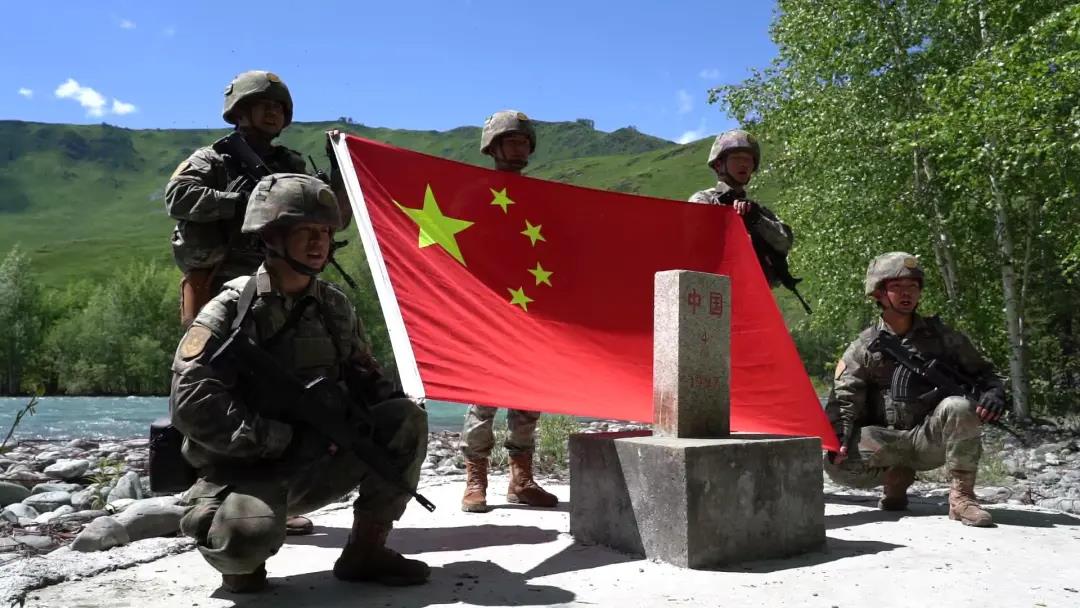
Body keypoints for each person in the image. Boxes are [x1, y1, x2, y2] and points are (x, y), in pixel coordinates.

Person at [170, 174, 429, 592]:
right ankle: (236, 546)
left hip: (319, 460)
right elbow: (191, 404)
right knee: (243, 545)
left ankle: (366, 551)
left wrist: (375, 406)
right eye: (305, 231)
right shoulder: (232, 309)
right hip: (246, 470)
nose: (318, 242)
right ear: (270, 237)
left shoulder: (334, 307)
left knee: (405, 418)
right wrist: (280, 439)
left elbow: (365, 376)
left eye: (324, 232)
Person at [823, 252, 1007, 527]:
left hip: (929, 438)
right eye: (897, 287)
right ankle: (895, 479)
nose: (906, 293)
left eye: (913, 286)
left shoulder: (943, 337)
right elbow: (844, 398)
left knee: (959, 406)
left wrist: (994, 392)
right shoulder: (864, 346)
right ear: (878, 293)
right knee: (834, 463)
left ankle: (962, 498)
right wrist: (839, 437)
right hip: (885, 440)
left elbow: (984, 373)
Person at [165, 70, 351, 328]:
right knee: (216, 347)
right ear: (240, 111)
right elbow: (178, 196)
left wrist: (341, 171)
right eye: (264, 105)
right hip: (222, 278)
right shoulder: (212, 159)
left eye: (278, 107)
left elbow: (335, 219)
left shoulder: (291, 167)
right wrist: (242, 202)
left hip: (284, 275)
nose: (273, 112)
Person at [458, 110, 558, 513]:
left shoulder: (541, 197)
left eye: (523, 142)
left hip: (530, 307)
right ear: (493, 147)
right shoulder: (474, 194)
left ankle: (521, 479)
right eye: (511, 141)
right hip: (487, 307)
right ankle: (475, 478)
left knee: (527, 396)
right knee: (483, 397)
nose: (518, 148)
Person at [688, 129, 794, 289]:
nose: (744, 164)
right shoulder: (704, 200)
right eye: (737, 158)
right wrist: (730, 217)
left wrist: (757, 220)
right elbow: (698, 241)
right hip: (715, 291)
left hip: (754, 291)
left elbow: (785, 241)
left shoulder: (757, 211)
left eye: (749, 160)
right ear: (719, 164)